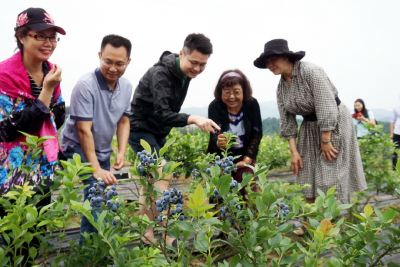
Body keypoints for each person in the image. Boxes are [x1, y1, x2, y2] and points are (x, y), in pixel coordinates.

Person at [253, 39, 367, 233]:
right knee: (306, 173)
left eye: (273, 59)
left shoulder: (310, 72)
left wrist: (326, 140)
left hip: (333, 124)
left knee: (327, 175)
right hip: (309, 126)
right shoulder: (281, 87)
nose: (269, 65)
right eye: (266, 62)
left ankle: (325, 228)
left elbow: (327, 106)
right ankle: (308, 225)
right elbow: (287, 120)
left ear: (287, 57)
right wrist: (293, 151)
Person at [129, 33, 219, 246]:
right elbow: (162, 112)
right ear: (181, 54)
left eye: (203, 65)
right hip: (141, 129)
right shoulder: (161, 73)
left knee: (149, 183)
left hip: (158, 132)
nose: (197, 69)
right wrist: (193, 118)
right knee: (162, 175)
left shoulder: (185, 74)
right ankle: (166, 233)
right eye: (194, 63)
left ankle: (146, 234)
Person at [0, 7, 65, 265]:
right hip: (10, 169)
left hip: (41, 165)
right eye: (41, 36)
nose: (48, 43)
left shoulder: (51, 71)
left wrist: (49, 92)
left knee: (36, 234)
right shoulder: (4, 76)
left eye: (53, 37)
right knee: (10, 239)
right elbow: (7, 129)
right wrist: (46, 91)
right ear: (22, 37)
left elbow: (57, 117)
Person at [61, 35, 132, 243]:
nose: (113, 68)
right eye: (107, 61)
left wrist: (121, 151)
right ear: (99, 56)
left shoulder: (126, 86)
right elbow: (84, 131)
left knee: (102, 197)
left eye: (119, 63)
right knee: (97, 193)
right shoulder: (85, 85)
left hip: (101, 147)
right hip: (76, 146)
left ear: (128, 62)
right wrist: (96, 168)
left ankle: (95, 247)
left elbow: (123, 121)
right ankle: (91, 253)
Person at [207, 70, 263, 198]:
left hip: (245, 155)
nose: (232, 97)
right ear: (221, 92)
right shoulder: (215, 106)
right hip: (220, 157)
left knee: (247, 190)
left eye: (236, 92)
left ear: (244, 91)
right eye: (227, 92)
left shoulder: (252, 104)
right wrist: (219, 142)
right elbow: (214, 133)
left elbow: (257, 132)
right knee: (219, 193)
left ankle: (250, 218)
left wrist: (248, 158)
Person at [390, 98, 400, 170]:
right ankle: (394, 169)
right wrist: (391, 133)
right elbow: (392, 121)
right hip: (397, 132)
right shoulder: (396, 107)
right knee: (395, 152)